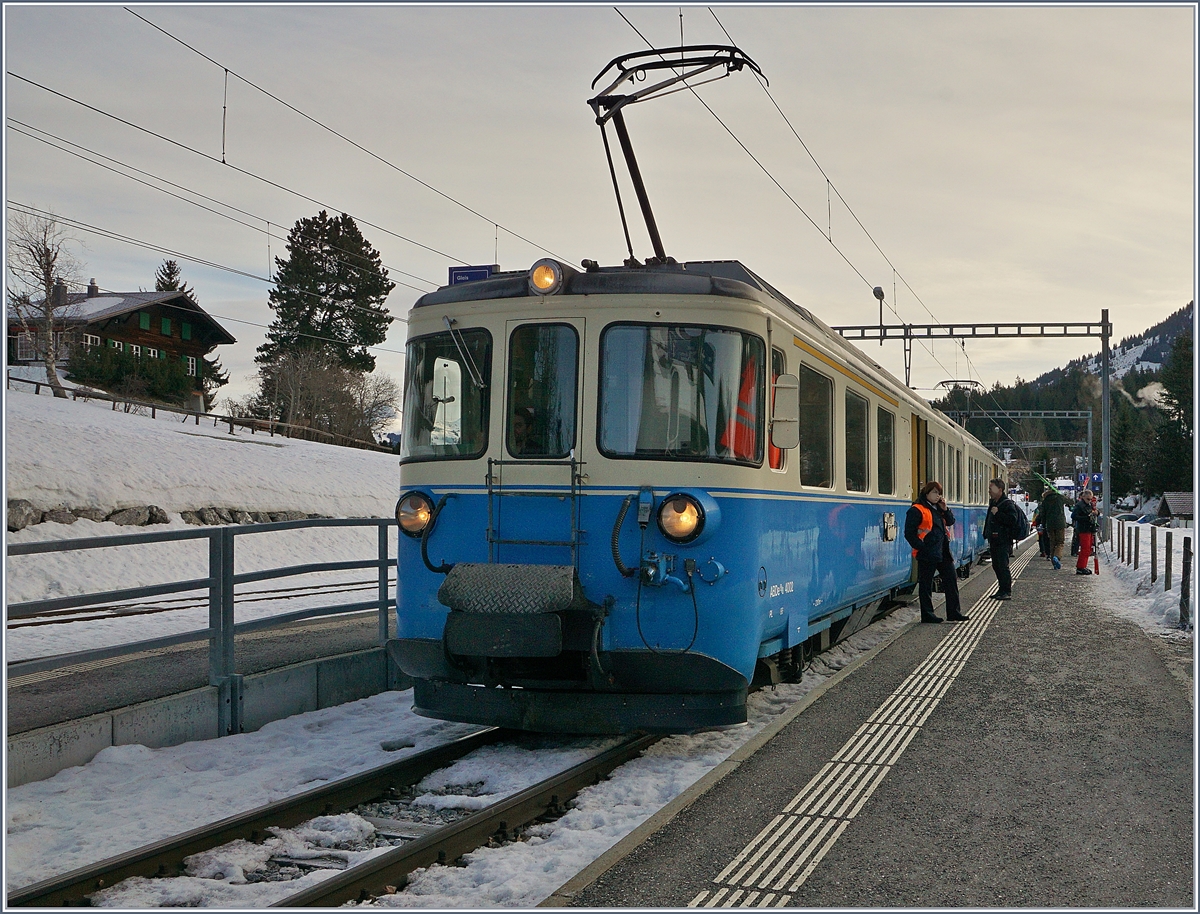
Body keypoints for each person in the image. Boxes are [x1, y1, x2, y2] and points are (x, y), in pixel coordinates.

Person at [904, 480, 969, 624]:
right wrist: (921, 546)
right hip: (927, 552)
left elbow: (951, 521)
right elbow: (909, 533)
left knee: (951, 580)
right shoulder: (917, 509)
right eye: (934, 492)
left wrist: (945, 509)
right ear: (926, 492)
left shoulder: (938, 508)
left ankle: (954, 612)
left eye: (939, 493)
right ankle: (927, 614)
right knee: (926, 584)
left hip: (943, 551)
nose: (937, 495)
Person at [983, 478, 1023, 601]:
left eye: (991, 488)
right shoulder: (994, 502)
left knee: (1002, 565)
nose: (989, 490)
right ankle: (1001, 590)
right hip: (995, 539)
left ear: (1000, 489)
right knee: (997, 565)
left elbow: (1012, 520)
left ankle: (1006, 591)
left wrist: (998, 514)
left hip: (1003, 539)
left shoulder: (1006, 503)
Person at [1040, 485, 1068, 570]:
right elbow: (1069, 501)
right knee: (1060, 542)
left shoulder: (1045, 501)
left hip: (1050, 524)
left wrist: (1043, 525)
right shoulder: (1059, 498)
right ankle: (1057, 557)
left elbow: (1043, 515)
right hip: (1060, 523)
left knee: (1052, 543)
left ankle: (1054, 562)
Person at [1072, 489, 1099, 575]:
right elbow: (1074, 516)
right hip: (1083, 529)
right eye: (1088, 499)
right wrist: (1086, 518)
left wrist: (1096, 513)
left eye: (1091, 499)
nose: (1089, 501)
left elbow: (1094, 512)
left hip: (1089, 529)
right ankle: (1080, 567)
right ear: (1083, 497)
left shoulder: (1089, 505)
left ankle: (1083, 565)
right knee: (1085, 549)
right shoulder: (1079, 505)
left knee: (1088, 549)